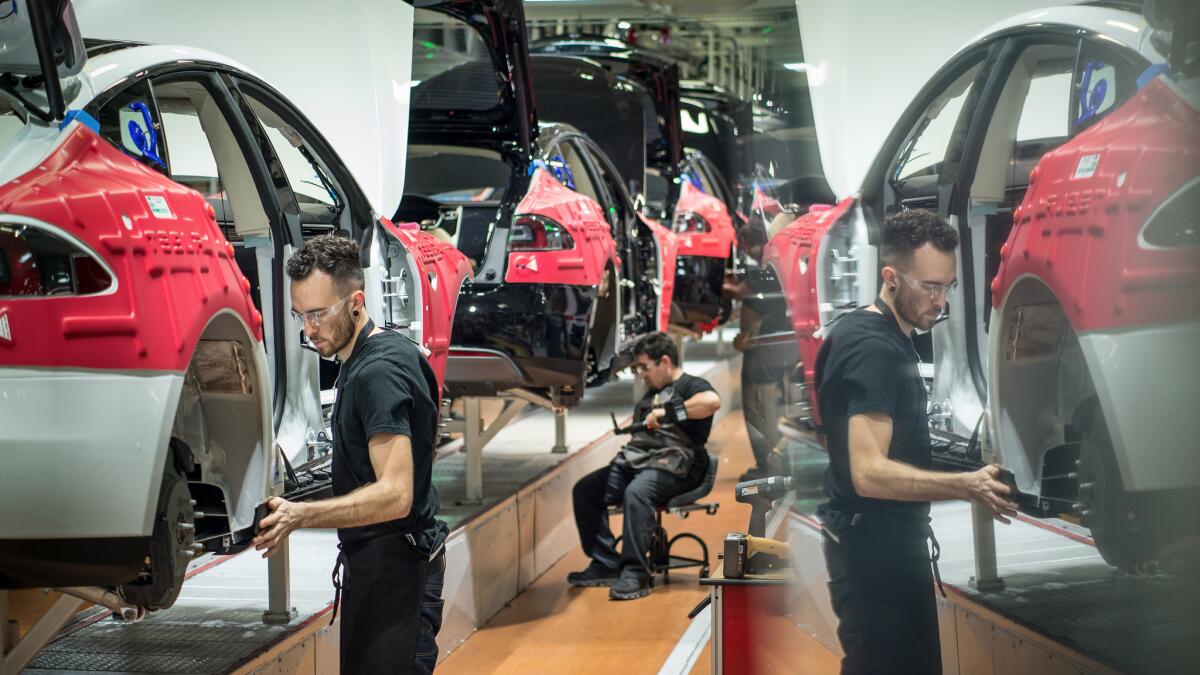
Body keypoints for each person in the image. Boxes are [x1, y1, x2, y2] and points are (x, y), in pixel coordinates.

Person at [814, 209, 1018, 674]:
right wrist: (967, 485)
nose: (941, 301)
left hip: (883, 546)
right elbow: (868, 473)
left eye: (948, 286)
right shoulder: (874, 349)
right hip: (873, 557)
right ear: (890, 277)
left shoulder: (877, 332)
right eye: (929, 287)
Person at [251, 235, 447, 674]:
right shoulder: (372, 355)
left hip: (398, 571)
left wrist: (299, 515)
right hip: (380, 567)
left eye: (319, 314)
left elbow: (395, 495)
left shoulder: (377, 374)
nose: (309, 329)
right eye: (300, 315)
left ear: (357, 301)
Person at [568, 332, 721, 600]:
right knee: (586, 491)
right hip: (643, 462)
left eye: (644, 367)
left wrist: (669, 412)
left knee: (637, 493)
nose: (641, 374)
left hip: (682, 468)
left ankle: (635, 573)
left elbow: (712, 402)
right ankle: (605, 562)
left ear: (664, 361)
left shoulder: (691, 385)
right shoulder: (651, 393)